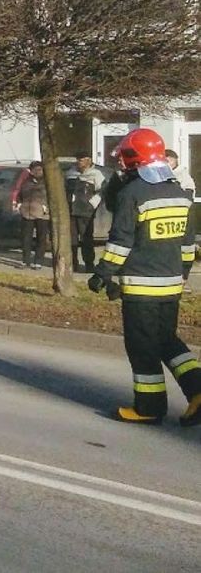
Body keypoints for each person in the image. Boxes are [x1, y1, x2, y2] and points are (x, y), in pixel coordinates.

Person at [89, 128, 201, 425]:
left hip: (141, 287)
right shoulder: (180, 193)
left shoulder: (132, 194)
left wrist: (102, 273)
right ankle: (199, 391)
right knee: (167, 340)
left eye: (126, 157)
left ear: (134, 158)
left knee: (141, 346)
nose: (122, 163)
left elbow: (121, 243)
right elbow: (188, 244)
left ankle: (149, 408)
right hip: (172, 284)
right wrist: (182, 274)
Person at [65, 151, 106, 273]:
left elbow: (102, 191)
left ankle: (89, 264)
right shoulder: (70, 173)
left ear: (88, 160)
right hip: (71, 210)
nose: (78, 162)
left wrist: (92, 203)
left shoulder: (96, 174)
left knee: (86, 239)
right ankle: (73, 264)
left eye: (81, 159)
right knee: (71, 239)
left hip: (86, 211)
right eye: (77, 159)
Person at [166, 149, 197, 290]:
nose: (166, 164)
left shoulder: (183, 176)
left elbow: (188, 197)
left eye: (168, 161)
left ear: (174, 160)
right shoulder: (163, 175)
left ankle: (184, 277)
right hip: (168, 218)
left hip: (184, 218)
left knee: (186, 250)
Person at [18, 161, 50, 269]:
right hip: (27, 212)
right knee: (26, 238)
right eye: (34, 170)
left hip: (43, 214)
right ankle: (25, 260)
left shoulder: (47, 182)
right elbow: (20, 194)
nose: (37, 172)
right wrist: (20, 204)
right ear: (31, 171)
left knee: (41, 238)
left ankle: (38, 261)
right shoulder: (26, 182)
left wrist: (46, 206)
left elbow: (52, 198)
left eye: (39, 169)